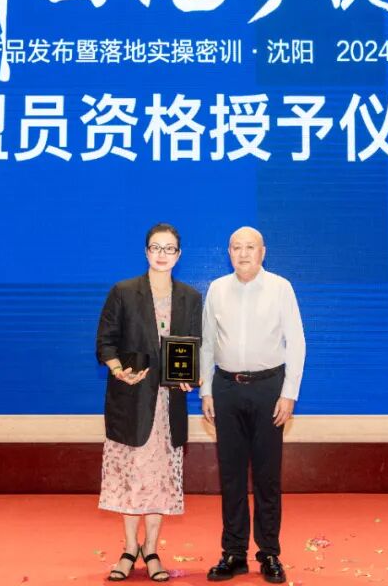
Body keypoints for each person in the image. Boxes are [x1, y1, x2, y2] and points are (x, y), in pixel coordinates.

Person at [96, 223, 203, 582]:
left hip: (168, 404)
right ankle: (129, 548)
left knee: (159, 478)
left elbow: (195, 345)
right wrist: (118, 370)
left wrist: (191, 376)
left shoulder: (190, 297)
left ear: (179, 255)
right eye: (156, 247)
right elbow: (106, 341)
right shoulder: (124, 291)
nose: (162, 254)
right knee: (131, 477)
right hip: (131, 399)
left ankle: (152, 549)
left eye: (169, 248)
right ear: (146, 252)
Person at [200, 227, 306, 584]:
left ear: (263, 252)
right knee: (231, 476)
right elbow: (208, 344)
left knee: (267, 476)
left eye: (250, 247)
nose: (243, 253)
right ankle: (233, 553)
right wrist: (206, 391)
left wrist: (289, 393)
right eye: (236, 247)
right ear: (228, 252)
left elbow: (296, 342)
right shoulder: (217, 289)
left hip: (269, 390)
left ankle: (269, 553)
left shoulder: (281, 288)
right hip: (226, 388)